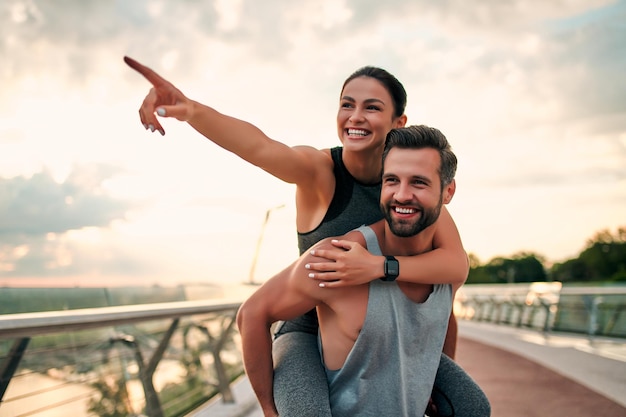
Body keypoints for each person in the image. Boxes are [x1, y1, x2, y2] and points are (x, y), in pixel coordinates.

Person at [125, 57, 490, 416]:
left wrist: (378, 267)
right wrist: (192, 111)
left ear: (399, 122)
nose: (356, 116)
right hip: (308, 325)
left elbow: (454, 265)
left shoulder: (412, 193)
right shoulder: (320, 171)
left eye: (372, 107)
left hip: (387, 325)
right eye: (347, 105)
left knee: (470, 404)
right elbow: (260, 147)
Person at [238, 125, 464, 416]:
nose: (402, 194)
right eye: (391, 180)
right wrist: (270, 410)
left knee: (472, 405)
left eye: (419, 182)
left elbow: (444, 316)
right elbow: (251, 314)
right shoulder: (338, 258)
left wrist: (436, 382)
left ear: (448, 192)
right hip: (305, 343)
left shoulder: (445, 264)